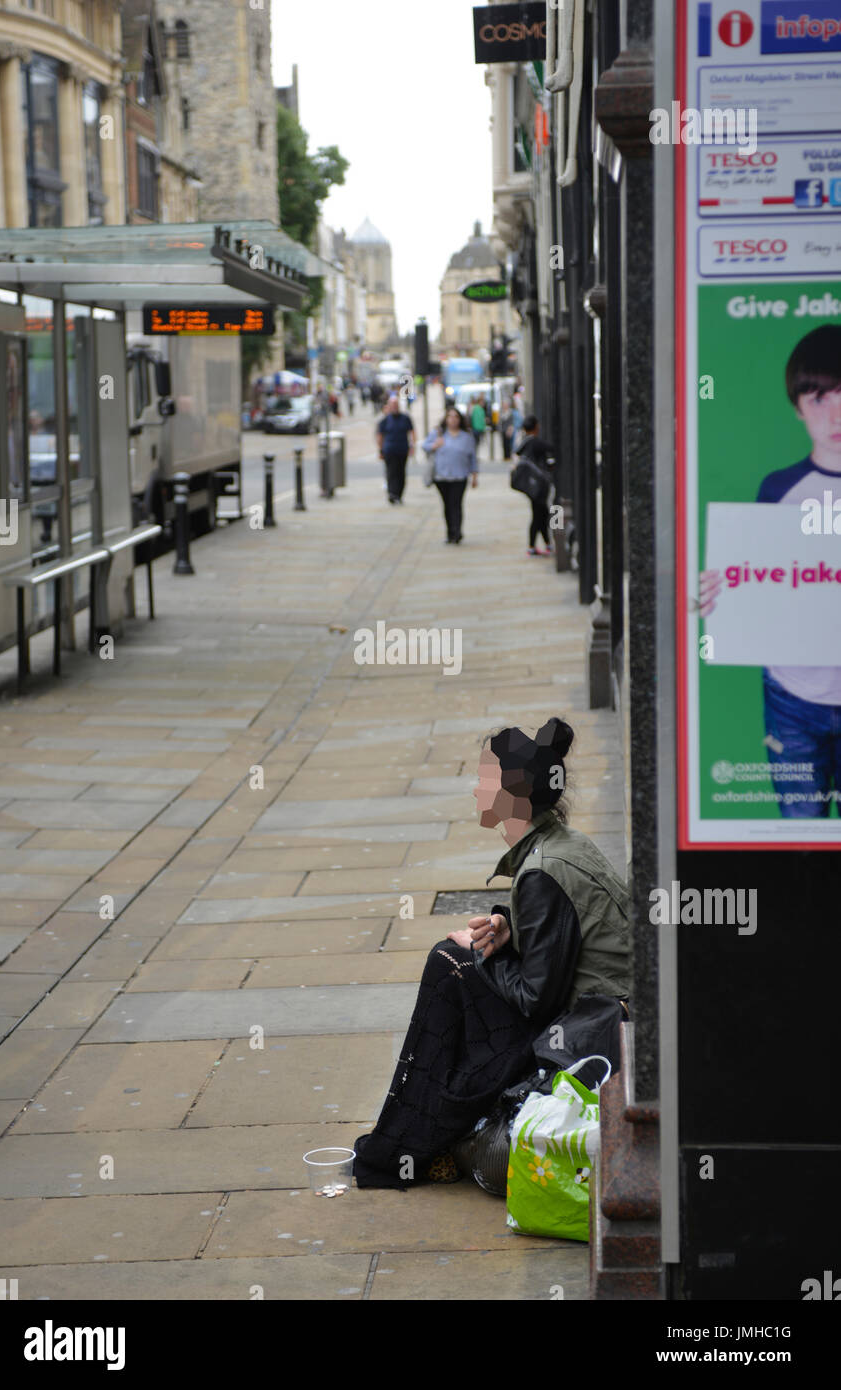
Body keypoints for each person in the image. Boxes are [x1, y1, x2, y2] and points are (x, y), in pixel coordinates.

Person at [353, 717, 632, 1189]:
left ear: (512, 795)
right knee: (455, 961)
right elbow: (564, 932)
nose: (477, 789)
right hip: (605, 1013)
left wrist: (483, 954)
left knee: (451, 964)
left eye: (485, 779)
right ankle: (426, 1132)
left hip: (599, 1034)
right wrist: (505, 926)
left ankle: (418, 1137)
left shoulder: (541, 870)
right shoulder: (561, 844)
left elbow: (535, 999)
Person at [700, 324, 841, 818]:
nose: (835, 412)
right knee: (801, 841)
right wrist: (721, 593)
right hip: (793, 697)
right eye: (820, 396)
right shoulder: (778, 489)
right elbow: (757, 579)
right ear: (798, 404)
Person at [422, 407, 478, 543]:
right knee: (447, 505)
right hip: (441, 476)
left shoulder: (467, 437)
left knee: (456, 504)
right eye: (450, 416)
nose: (453, 420)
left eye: (456, 417)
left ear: (460, 420)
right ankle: (450, 533)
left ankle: (457, 531)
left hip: (460, 476)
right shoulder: (439, 434)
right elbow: (425, 446)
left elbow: (473, 458)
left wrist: (475, 475)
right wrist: (435, 445)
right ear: (446, 419)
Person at [515, 415, 555, 556]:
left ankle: (548, 544)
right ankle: (533, 546)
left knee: (541, 514)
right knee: (540, 515)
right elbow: (552, 448)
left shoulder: (525, 442)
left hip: (531, 485)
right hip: (538, 485)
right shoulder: (535, 442)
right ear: (536, 426)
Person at [375, 394, 415, 504]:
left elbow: (412, 432)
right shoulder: (385, 420)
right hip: (389, 450)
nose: (394, 407)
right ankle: (392, 493)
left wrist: (412, 446)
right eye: (392, 405)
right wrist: (380, 449)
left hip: (402, 449)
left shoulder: (405, 418)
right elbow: (380, 435)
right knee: (391, 472)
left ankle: (399, 494)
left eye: (396, 405)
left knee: (401, 473)